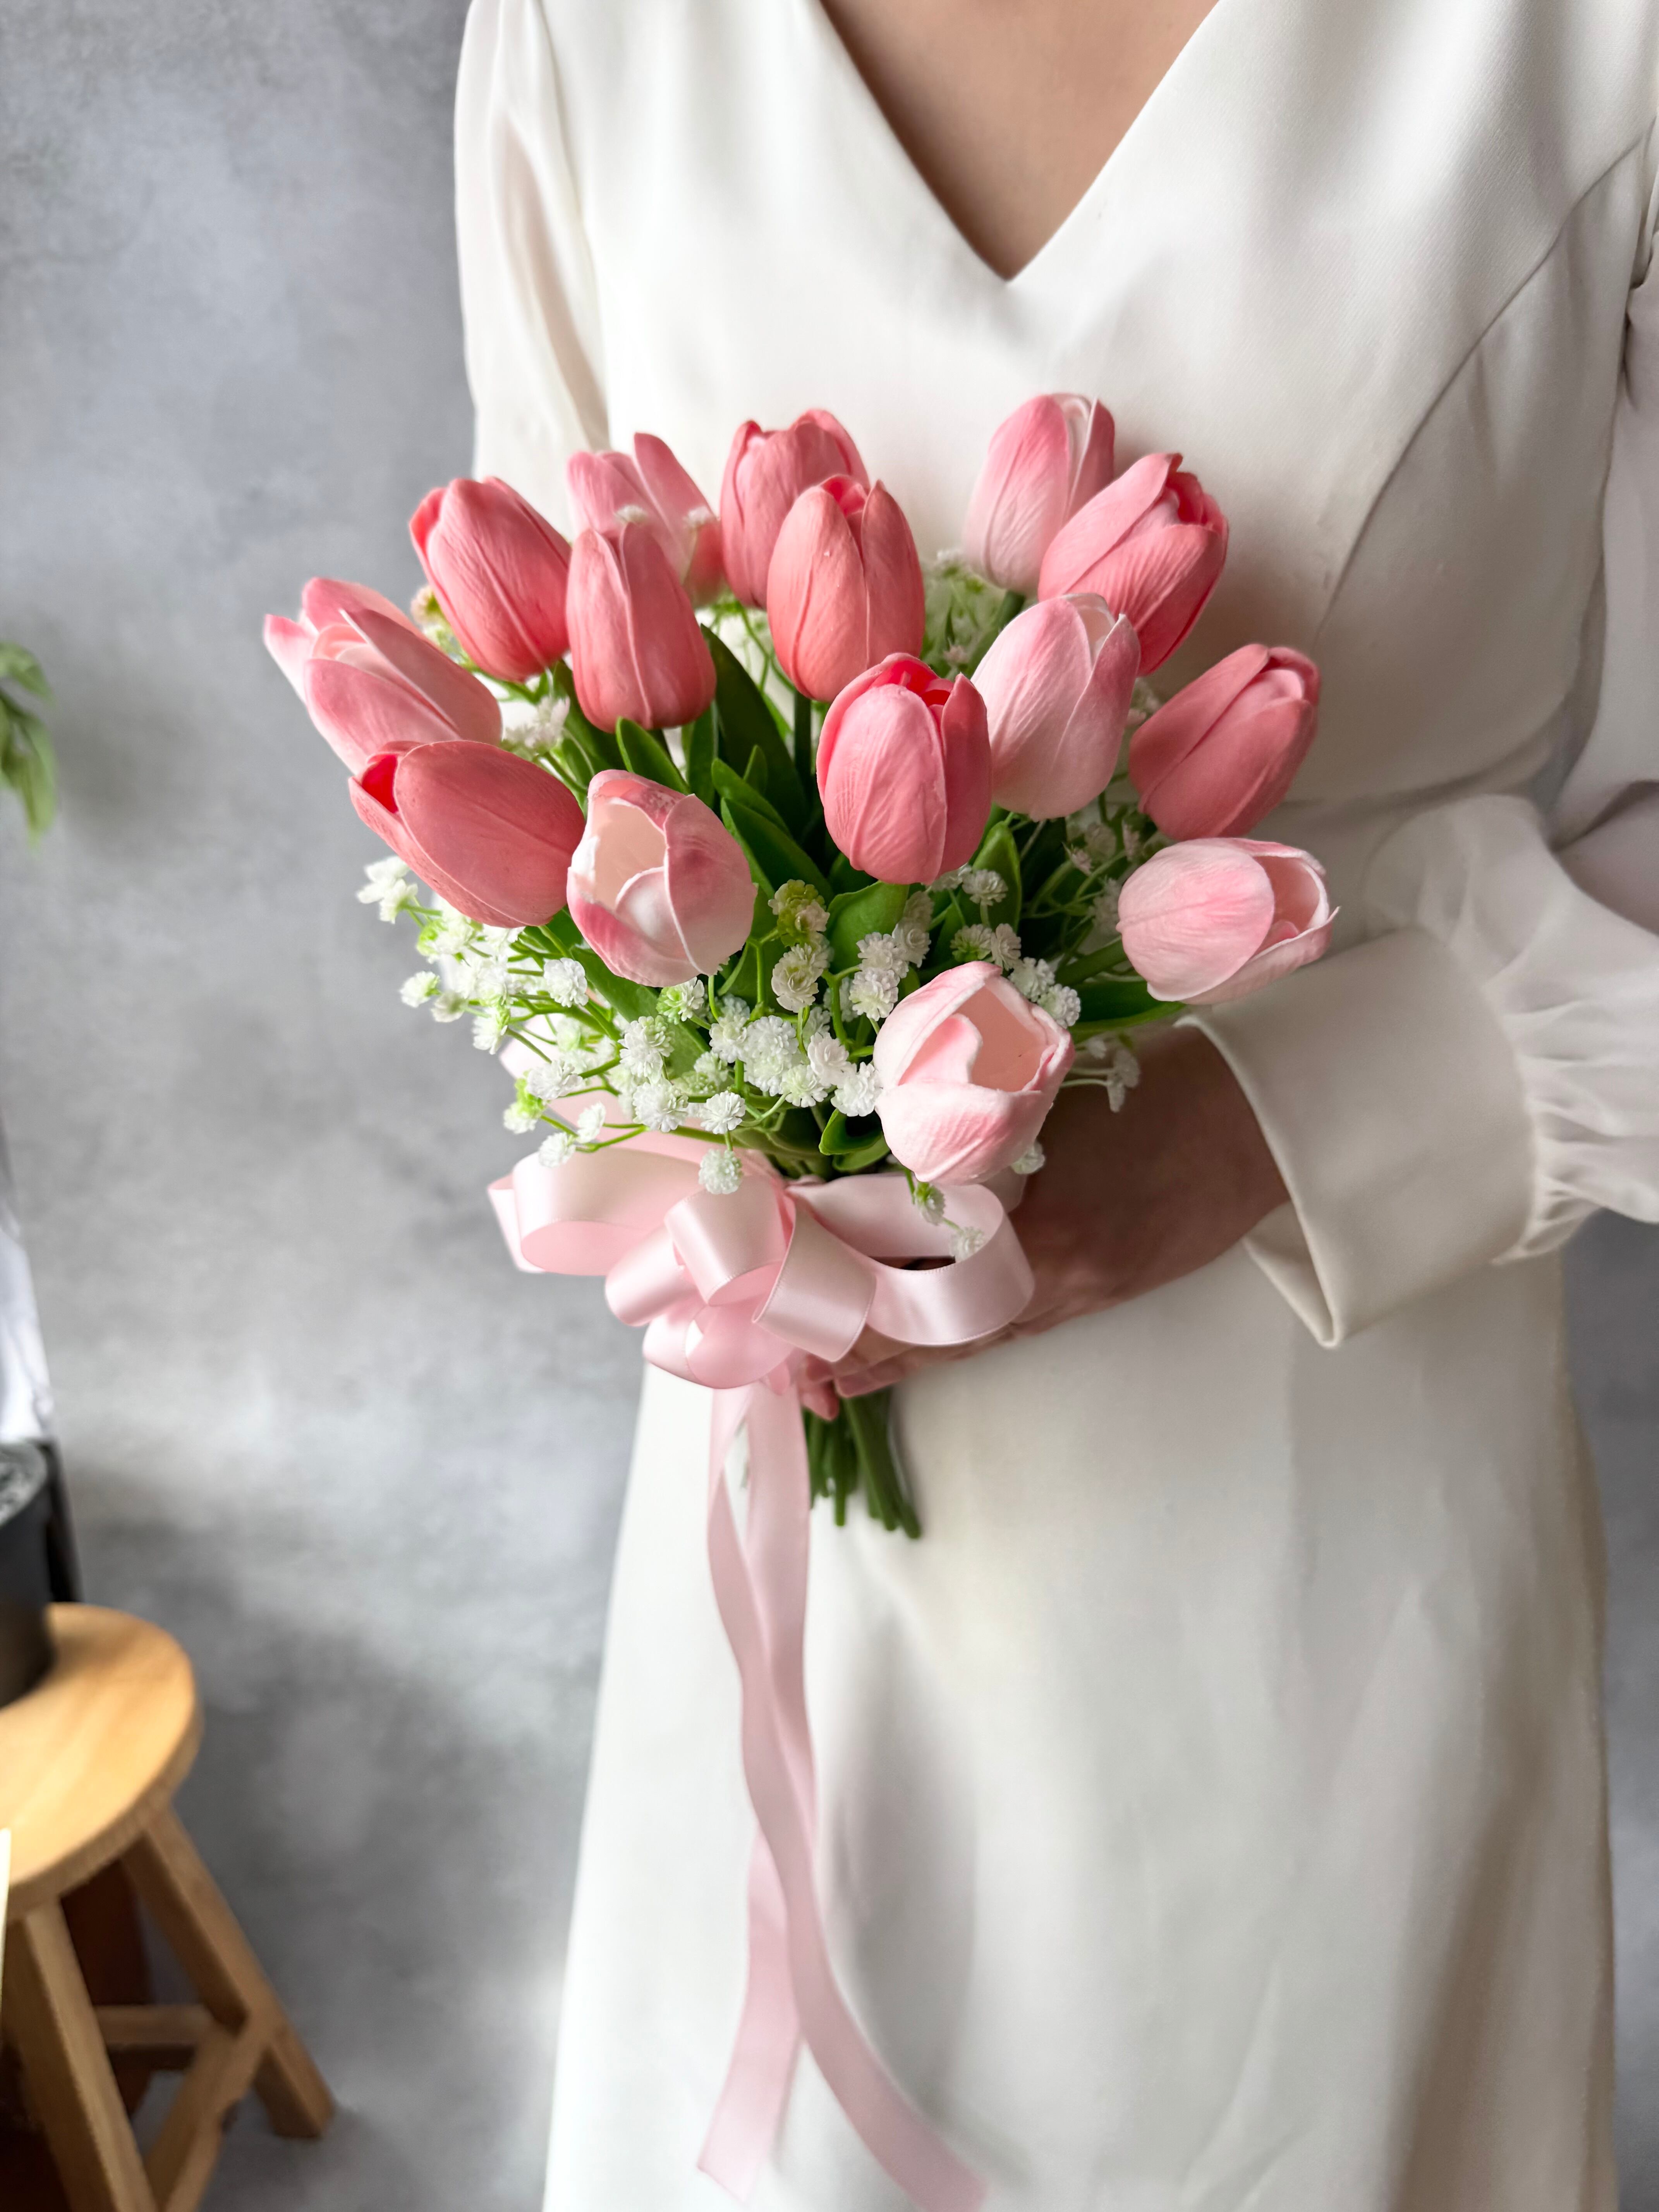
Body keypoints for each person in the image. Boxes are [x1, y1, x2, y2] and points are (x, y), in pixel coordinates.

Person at [455, 0, 1659, 2202]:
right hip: (801, 1495)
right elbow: (535, 744)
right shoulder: (586, 34)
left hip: (1336, 1496)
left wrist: (1275, 1124)